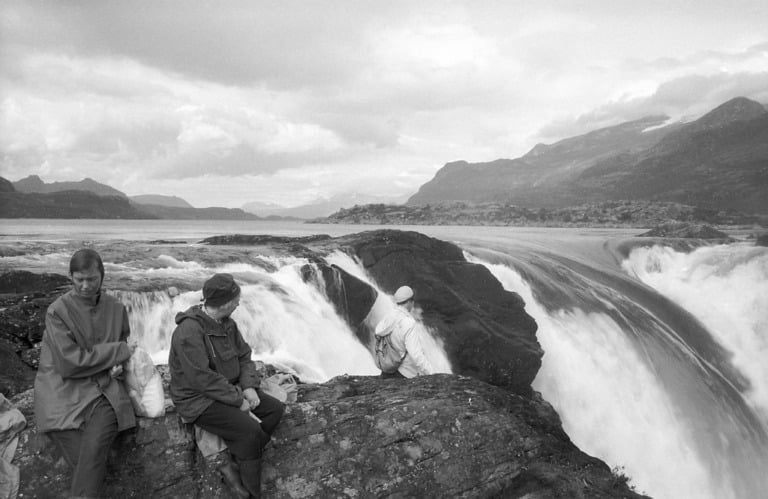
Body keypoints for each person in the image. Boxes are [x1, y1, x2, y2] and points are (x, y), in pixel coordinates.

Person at [168, 273, 284, 499]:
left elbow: (244, 355)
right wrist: (238, 400)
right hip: (198, 399)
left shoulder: (227, 324)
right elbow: (201, 379)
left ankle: (237, 458)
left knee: (274, 410)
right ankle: (244, 486)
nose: (239, 303)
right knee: (250, 432)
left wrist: (249, 386)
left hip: (231, 389)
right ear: (227, 303)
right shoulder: (189, 331)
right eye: (237, 300)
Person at [34, 248, 136, 498]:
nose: (86, 285)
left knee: (93, 451)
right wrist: (117, 352)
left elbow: (123, 348)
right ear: (71, 277)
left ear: (102, 276)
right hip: (61, 390)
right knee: (89, 460)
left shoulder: (116, 308)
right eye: (79, 279)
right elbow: (69, 363)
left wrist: (119, 365)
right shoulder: (58, 311)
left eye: (92, 279)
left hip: (103, 390)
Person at [374, 285, 434, 378]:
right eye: (412, 301)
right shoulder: (408, 322)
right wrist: (430, 373)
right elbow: (416, 355)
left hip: (388, 369)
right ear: (409, 302)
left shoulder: (388, 318)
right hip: (404, 373)